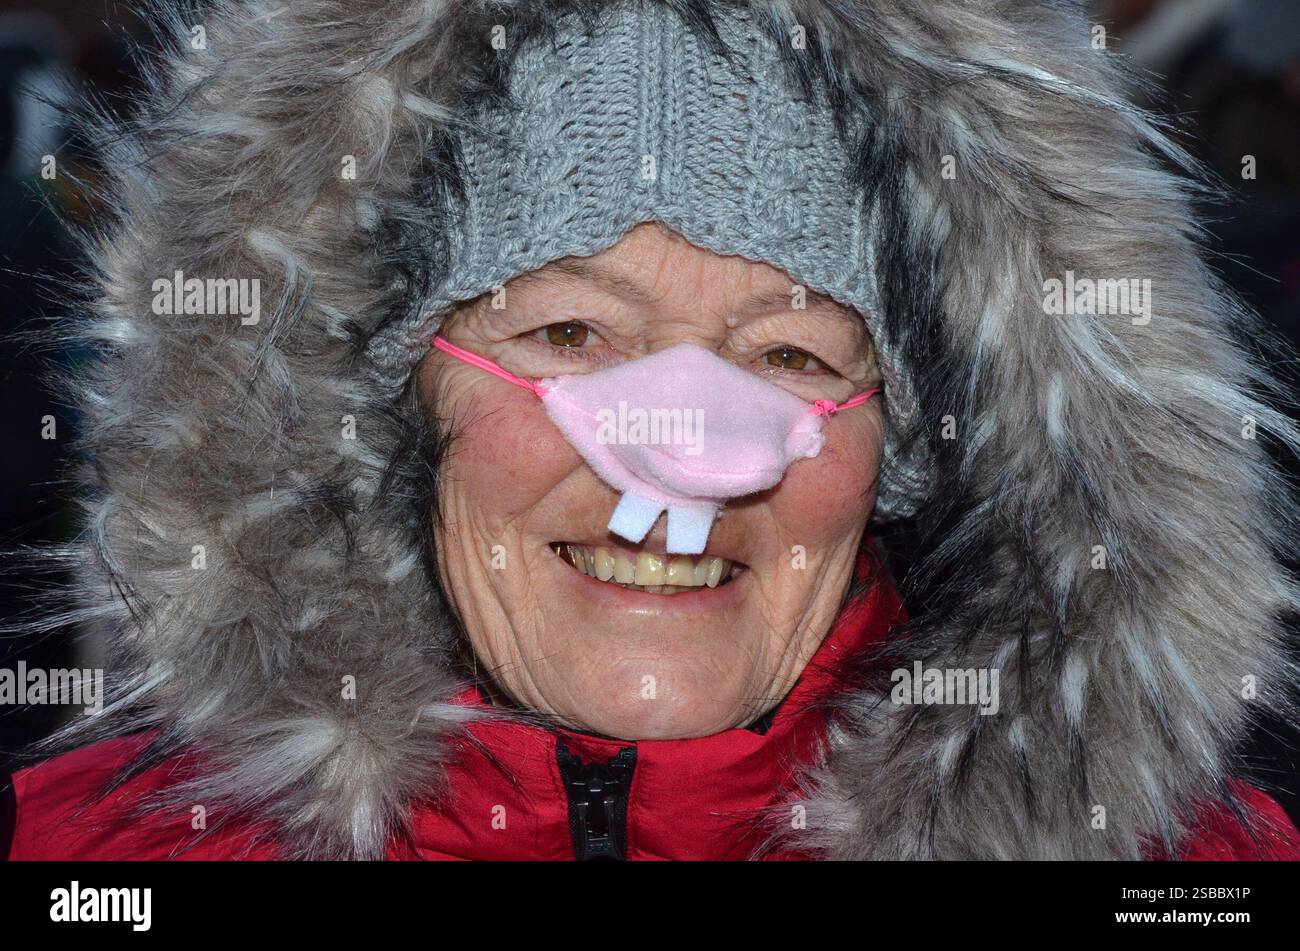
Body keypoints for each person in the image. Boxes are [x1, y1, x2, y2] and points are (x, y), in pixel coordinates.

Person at [4, 0, 1299, 861]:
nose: (681, 447)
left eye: (787, 355)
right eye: (572, 334)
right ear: (402, 404)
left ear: (896, 457)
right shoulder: (79, 859)